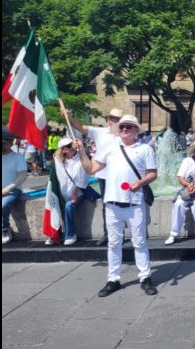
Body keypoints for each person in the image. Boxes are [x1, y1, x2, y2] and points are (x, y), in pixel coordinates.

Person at [77, 115, 159, 297]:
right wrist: (81, 151)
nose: (124, 129)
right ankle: (113, 279)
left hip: (134, 203)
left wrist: (141, 182)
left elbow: (153, 173)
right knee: (114, 243)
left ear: (136, 130)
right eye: (122, 127)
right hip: (112, 203)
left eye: (129, 127)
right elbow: (91, 169)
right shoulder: (110, 148)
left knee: (140, 242)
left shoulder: (145, 149)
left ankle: (145, 277)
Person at [64, 107, 124, 246]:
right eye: (111, 117)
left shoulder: (125, 133)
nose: (112, 121)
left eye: (116, 119)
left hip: (121, 175)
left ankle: (120, 232)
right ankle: (107, 233)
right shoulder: (100, 131)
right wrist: (70, 116)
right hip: (103, 174)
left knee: (123, 204)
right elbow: (80, 127)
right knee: (106, 204)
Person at [165, 137, 195, 246]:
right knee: (178, 204)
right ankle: (173, 233)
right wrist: (188, 185)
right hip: (187, 189)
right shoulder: (187, 161)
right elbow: (181, 178)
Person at [46, 138, 90, 245]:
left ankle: (70, 234)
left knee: (69, 206)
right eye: (69, 146)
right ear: (63, 149)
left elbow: (81, 180)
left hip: (78, 192)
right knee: (55, 206)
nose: (72, 147)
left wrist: (75, 194)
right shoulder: (58, 160)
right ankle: (55, 234)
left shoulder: (81, 159)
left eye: (72, 145)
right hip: (62, 193)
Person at [2, 126, 28, 244]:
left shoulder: (18, 158)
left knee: (4, 204)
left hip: (13, 190)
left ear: (10, 143)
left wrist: (9, 188)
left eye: (4, 143)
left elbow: (22, 176)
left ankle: (5, 229)